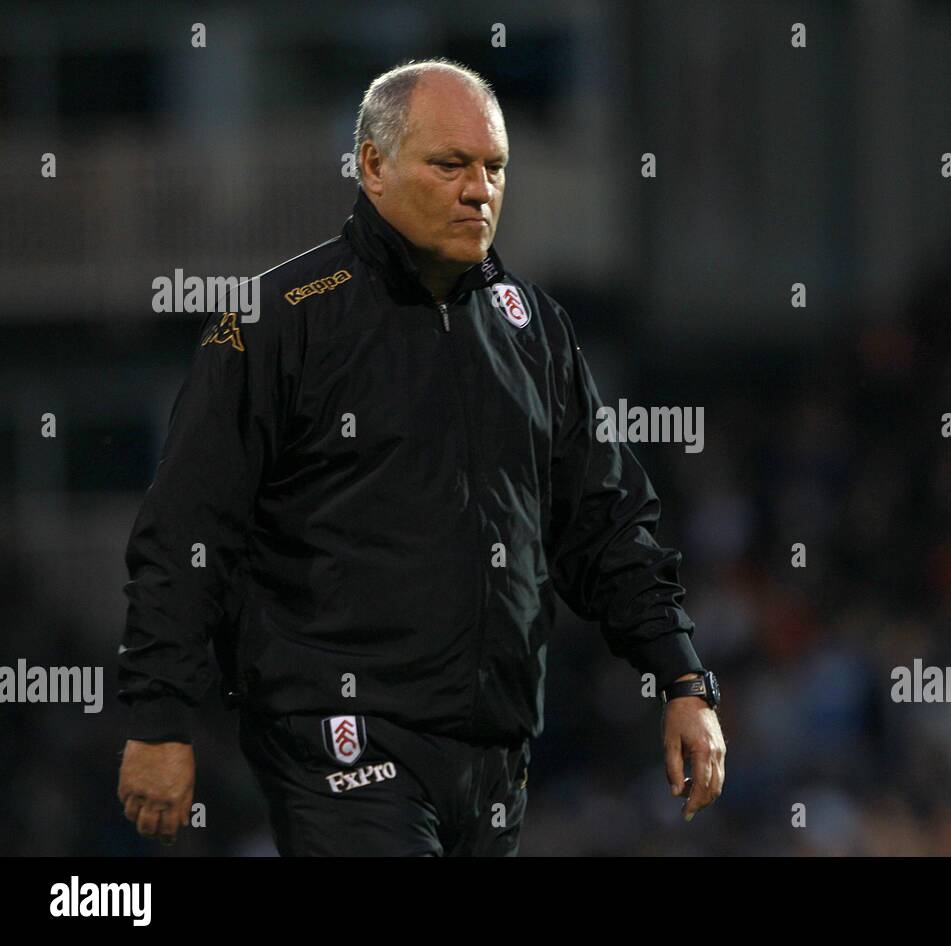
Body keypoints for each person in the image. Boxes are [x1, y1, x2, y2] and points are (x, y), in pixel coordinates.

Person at [115, 58, 725, 856]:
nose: (480, 190)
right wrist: (159, 717)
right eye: (451, 165)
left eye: (495, 168)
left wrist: (682, 677)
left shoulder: (534, 330)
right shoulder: (275, 322)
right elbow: (186, 530)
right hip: (339, 733)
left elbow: (606, 525)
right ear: (373, 165)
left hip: (494, 746)